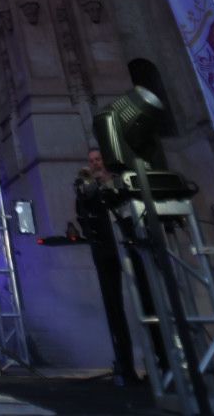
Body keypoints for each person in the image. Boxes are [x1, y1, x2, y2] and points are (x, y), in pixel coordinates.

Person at [75, 146, 166, 385]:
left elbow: (129, 204)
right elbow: (83, 213)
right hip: (106, 249)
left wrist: (107, 184)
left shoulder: (122, 183)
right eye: (92, 160)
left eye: (99, 159)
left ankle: (163, 361)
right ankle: (125, 365)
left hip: (131, 245)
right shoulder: (87, 188)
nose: (95, 163)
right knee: (114, 307)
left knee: (148, 301)